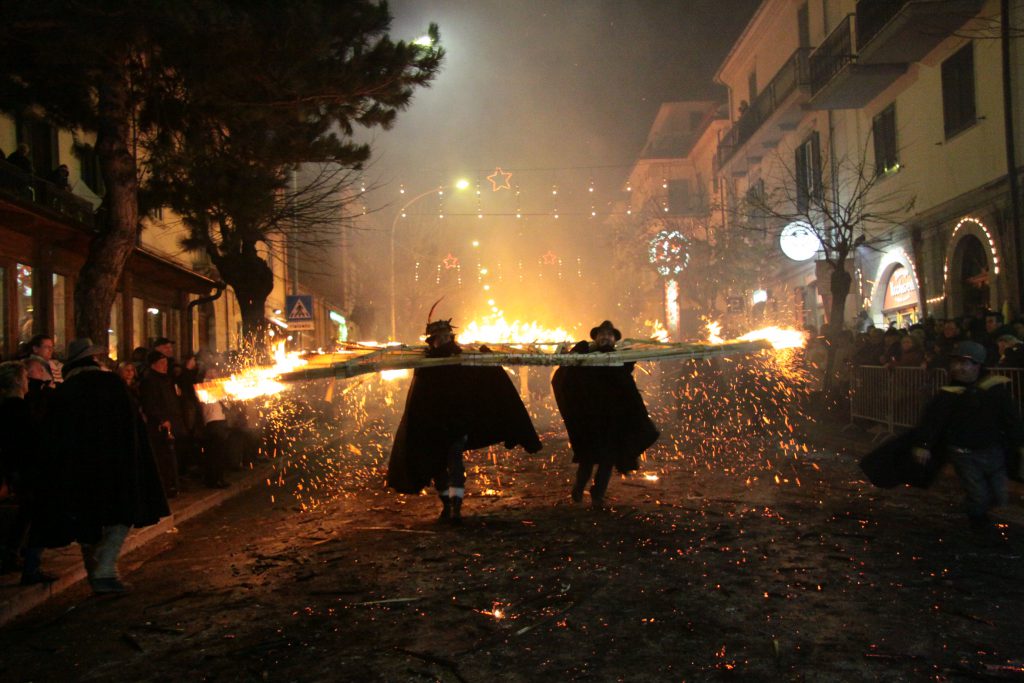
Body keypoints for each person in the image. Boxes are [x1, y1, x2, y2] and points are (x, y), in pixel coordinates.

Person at [38, 338, 169, 593]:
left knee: (87, 518)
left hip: (79, 469)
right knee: (121, 515)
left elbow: (54, 434)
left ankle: (99, 573)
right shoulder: (112, 384)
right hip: (117, 465)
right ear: (94, 360)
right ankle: (105, 569)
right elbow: (132, 422)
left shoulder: (66, 391)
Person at [386, 314, 541, 523]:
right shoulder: (426, 364)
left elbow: (483, 379)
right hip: (434, 426)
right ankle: (447, 504)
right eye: (439, 337)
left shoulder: (463, 359)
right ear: (433, 341)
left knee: (455, 462)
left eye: (446, 336)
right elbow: (419, 398)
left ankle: (456, 506)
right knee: (438, 468)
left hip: (457, 423)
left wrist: (488, 360)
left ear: (451, 337)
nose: (444, 340)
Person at [912, 341, 1024, 535]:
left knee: (999, 495)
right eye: (956, 363)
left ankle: (975, 509)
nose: (958, 368)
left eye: (965, 363)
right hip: (963, 452)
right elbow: (933, 422)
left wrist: (1020, 443)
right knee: (978, 494)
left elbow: (1011, 419)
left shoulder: (994, 390)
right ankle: (978, 527)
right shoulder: (949, 394)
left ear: (978, 365)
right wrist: (924, 445)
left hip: (992, 450)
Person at [551, 321, 659, 508]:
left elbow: (625, 377)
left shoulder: (619, 358)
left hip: (611, 419)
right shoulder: (585, 355)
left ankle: (597, 495)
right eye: (602, 334)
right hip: (590, 417)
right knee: (587, 459)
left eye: (609, 335)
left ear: (614, 340)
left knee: (607, 460)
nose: (605, 337)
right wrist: (573, 352)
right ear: (596, 338)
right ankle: (578, 490)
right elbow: (569, 371)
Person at [139, 350, 186, 497]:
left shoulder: (166, 379)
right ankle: (165, 487)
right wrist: (162, 419)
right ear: (154, 364)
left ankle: (173, 484)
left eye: (166, 363)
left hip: (173, 421)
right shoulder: (149, 381)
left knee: (172, 456)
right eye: (162, 363)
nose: (165, 366)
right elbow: (151, 404)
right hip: (160, 426)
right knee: (163, 457)